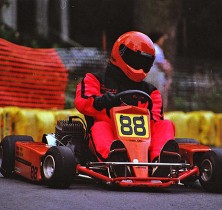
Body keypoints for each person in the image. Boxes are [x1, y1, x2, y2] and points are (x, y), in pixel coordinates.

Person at [74, 31, 178, 176]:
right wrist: (102, 100)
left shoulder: (150, 91)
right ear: (121, 53)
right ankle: (115, 160)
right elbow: (82, 102)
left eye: (144, 62)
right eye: (136, 60)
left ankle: (160, 162)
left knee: (165, 124)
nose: (140, 66)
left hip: (143, 143)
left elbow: (156, 120)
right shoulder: (96, 80)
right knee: (100, 126)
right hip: (106, 134)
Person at [144, 31, 173, 112]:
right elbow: (161, 64)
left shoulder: (147, 47)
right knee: (158, 97)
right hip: (156, 78)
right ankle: (158, 113)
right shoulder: (156, 48)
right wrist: (168, 69)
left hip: (148, 77)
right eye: (162, 39)